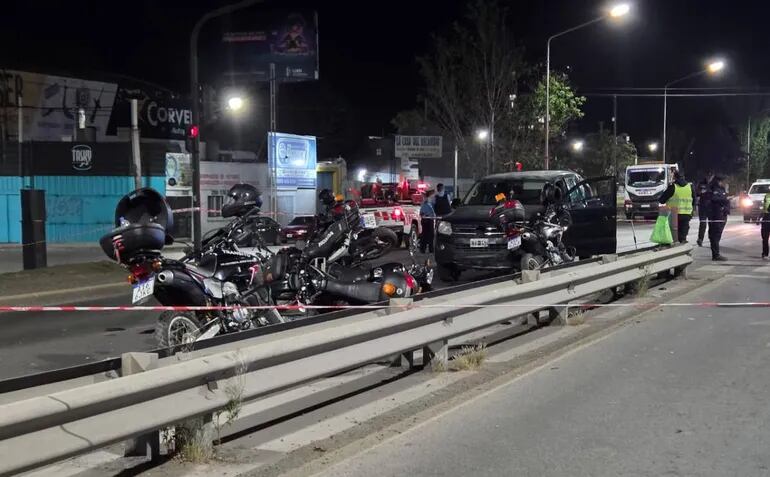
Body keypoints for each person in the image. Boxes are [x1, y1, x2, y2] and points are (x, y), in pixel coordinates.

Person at [658, 171, 695, 243]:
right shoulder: (690, 187)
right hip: (687, 214)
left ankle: (675, 248)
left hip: (674, 215)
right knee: (683, 236)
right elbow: (694, 200)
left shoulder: (672, 187)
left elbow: (662, 200)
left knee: (673, 236)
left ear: (674, 177)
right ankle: (683, 247)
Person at [705, 176, 730, 261]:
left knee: (716, 235)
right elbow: (715, 199)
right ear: (718, 181)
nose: (723, 183)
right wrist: (726, 200)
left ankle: (716, 254)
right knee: (715, 235)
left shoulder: (721, 189)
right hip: (716, 215)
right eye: (722, 181)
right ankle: (716, 255)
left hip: (721, 215)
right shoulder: (714, 189)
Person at [695, 170, 715, 247]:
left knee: (711, 224)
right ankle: (700, 239)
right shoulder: (701, 183)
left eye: (710, 175)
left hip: (711, 207)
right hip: (703, 206)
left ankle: (712, 239)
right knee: (702, 223)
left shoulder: (714, 184)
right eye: (708, 175)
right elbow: (697, 192)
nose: (709, 177)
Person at [761, 189, 770, 259]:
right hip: (766, 216)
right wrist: (760, 217)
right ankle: (765, 253)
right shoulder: (766, 196)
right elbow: (764, 208)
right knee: (765, 237)